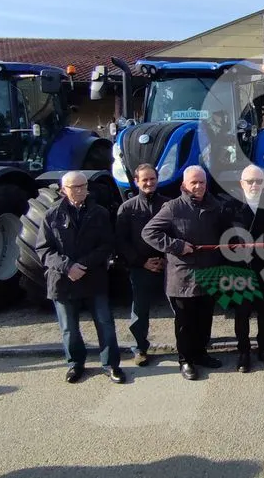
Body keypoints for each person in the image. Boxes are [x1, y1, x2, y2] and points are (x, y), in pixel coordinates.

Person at [35, 171, 125, 384]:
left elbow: (107, 245)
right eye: (74, 187)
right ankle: (75, 364)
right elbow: (44, 249)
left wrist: (83, 264)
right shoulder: (51, 215)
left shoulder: (99, 213)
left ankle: (111, 365)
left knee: (105, 323)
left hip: (93, 277)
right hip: (63, 281)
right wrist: (68, 267)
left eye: (83, 186)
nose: (80, 190)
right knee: (69, 327)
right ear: (63, 190)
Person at [142, 165, 224, 381]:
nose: (198, 186)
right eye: (194, 182)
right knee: (185, 322)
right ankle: (185, 359)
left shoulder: (215, 206)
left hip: (209, 273)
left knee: (205, 318)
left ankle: (201, 354)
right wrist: (177, 246)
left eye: (202, 182)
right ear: (184, 185)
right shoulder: (173, 208)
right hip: (183, 276)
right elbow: (149, 232)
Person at [222, 165, 264, 373]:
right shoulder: (229, 207)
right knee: (242, 313)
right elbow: (221, 240)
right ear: (241, 183)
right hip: (239, 269)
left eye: (258, 181)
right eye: (250, 181)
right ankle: (243, 352)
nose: (254, 185)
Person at [115, 163, 169, 367]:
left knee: (180, 309)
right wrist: (142, 262)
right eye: (144, 180)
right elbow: (121, 241)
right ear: (136, 181)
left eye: (152, 179)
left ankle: (186, 346)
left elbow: (175, 233)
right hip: (140, 267)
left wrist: (166, 258)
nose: (149, 183)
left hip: (167, 265)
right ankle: (140, 349)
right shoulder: (127, 209)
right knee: (139, 311)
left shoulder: (168, 205)